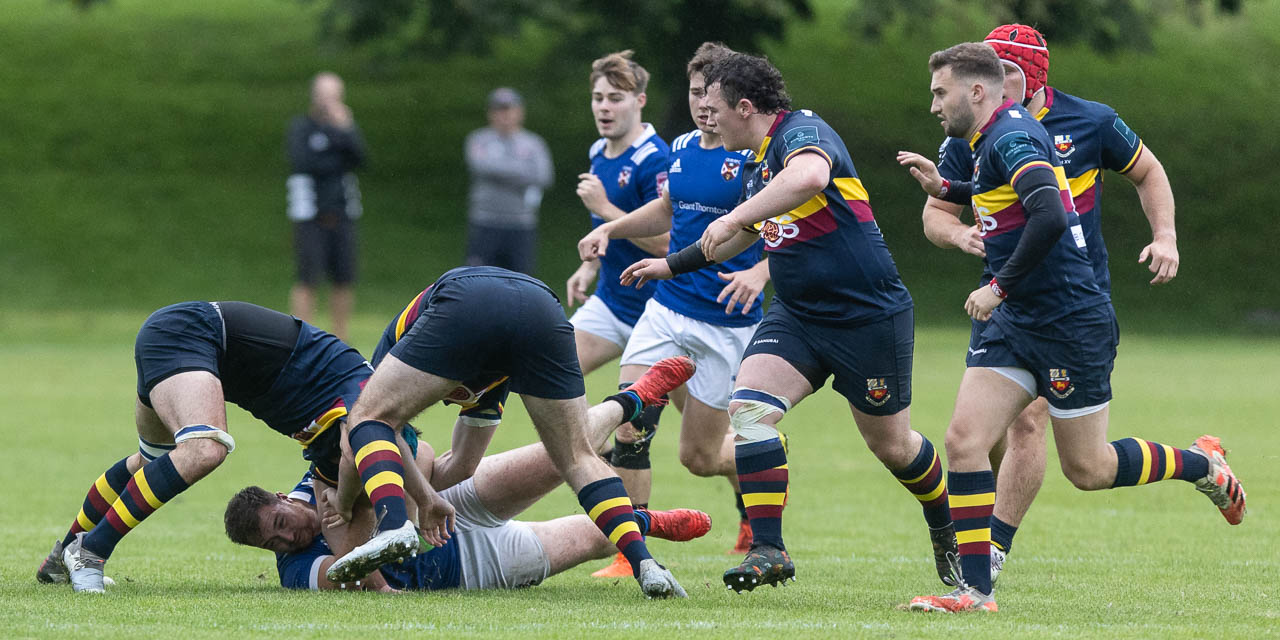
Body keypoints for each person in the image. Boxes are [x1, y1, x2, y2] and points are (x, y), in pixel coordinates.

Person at [900, 43, 1245, 613]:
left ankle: (1200, 464)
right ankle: (976, 591)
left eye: (941, 92)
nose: (934, 104)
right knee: (964, 441)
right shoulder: (990, 137)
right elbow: (1004, 194)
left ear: (978, 91)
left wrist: (997, 286)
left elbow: (1050, 213)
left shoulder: (1012, 136)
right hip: (1017, 322)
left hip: (1068, 321)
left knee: (1089, 469)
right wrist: (947, 190)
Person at [621, 52, 957, 593]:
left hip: (867, 316)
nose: (707, 118)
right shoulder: (757, 166)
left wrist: (735, 213)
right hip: (799, 315)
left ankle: (946, 524)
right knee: (750, 410)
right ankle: (768, 549)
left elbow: (810, 175)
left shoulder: (803, 132)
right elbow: (738, 237)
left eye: (715, 109)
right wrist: (670, 263)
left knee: (893, 447)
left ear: (746, 107)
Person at [325, 266, 691, 599]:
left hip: (467, 297)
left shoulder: (394, 350)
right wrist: (426, 495)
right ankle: (644, 562)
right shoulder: (485, 379)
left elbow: (374, 431)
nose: (448, 401)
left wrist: (352, 501)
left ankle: (393, 525)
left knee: (367, 416)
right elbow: (463, 466)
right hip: (539, 305)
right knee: (576, 456)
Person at [577, 42, 771, 573]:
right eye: (694, 91)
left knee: (699, 458)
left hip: (725, 323)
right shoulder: (683, 146)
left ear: (735, 98)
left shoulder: (755, 156)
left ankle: (764, 455)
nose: (703, 103)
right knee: (630, 422)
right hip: (666, 309)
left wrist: (760, 271)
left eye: (713, 93)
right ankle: (630, 550)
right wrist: (612, 228)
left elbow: (793, 224)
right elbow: (667, 207)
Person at [43, 301, 375, 593]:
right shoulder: (365, 392)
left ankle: (62, 557)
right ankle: (91, 552)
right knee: (205, 448)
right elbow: (356, 447)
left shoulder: (345, 396)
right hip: (190, 335)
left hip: (178, 340)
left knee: (152, 466)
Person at [224, 433, 712, 593]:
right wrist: (336, 521)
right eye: (273, 544)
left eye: (281, 526)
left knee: (559, 451)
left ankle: (631, 401)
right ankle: (647, 523)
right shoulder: (293, 572)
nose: (286, 542)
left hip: (453, 501)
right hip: (468, 565)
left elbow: (420, 454)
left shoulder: (323, 476)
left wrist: (354, 495)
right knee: (595, 538)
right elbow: (349, 569)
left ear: (283, 499)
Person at [563, 50, 676, 577]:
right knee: (550, 368)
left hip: (661, 308)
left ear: (640, 101)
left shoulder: (656, 160)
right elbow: (607, 238)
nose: (604, 108)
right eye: (597, 98)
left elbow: (669, 242)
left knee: (702, 446)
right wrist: (586, 268)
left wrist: (608, 212)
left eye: (615, 98)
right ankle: (627, 549)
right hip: (611, 302)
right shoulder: (598, 151)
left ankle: (750, 495)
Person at [286, 72, 366, 342]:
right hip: (309, 214)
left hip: (343, 213)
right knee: (307, 279)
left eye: (335, 95)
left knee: (344, 279)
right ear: (314, 95)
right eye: (325, 94)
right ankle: (302, 340)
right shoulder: (301, 127)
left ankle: (339, 340)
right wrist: (335, 158)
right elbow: (304, 163)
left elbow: (360, 159)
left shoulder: (345, 128)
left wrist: (345, 129)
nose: (330, 101)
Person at [464, 87, 554, 275]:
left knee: (519, 280)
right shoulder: (479, 139)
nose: (504, 115)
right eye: (499, 110)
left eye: (509, 109)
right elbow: (481, 166)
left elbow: (543, 176)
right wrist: (522, 171)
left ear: (520, 112)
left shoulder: (534, 143)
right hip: (485, 222)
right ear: (490, 113)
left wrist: (498, 171)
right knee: (477, 278)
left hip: (521, 224)